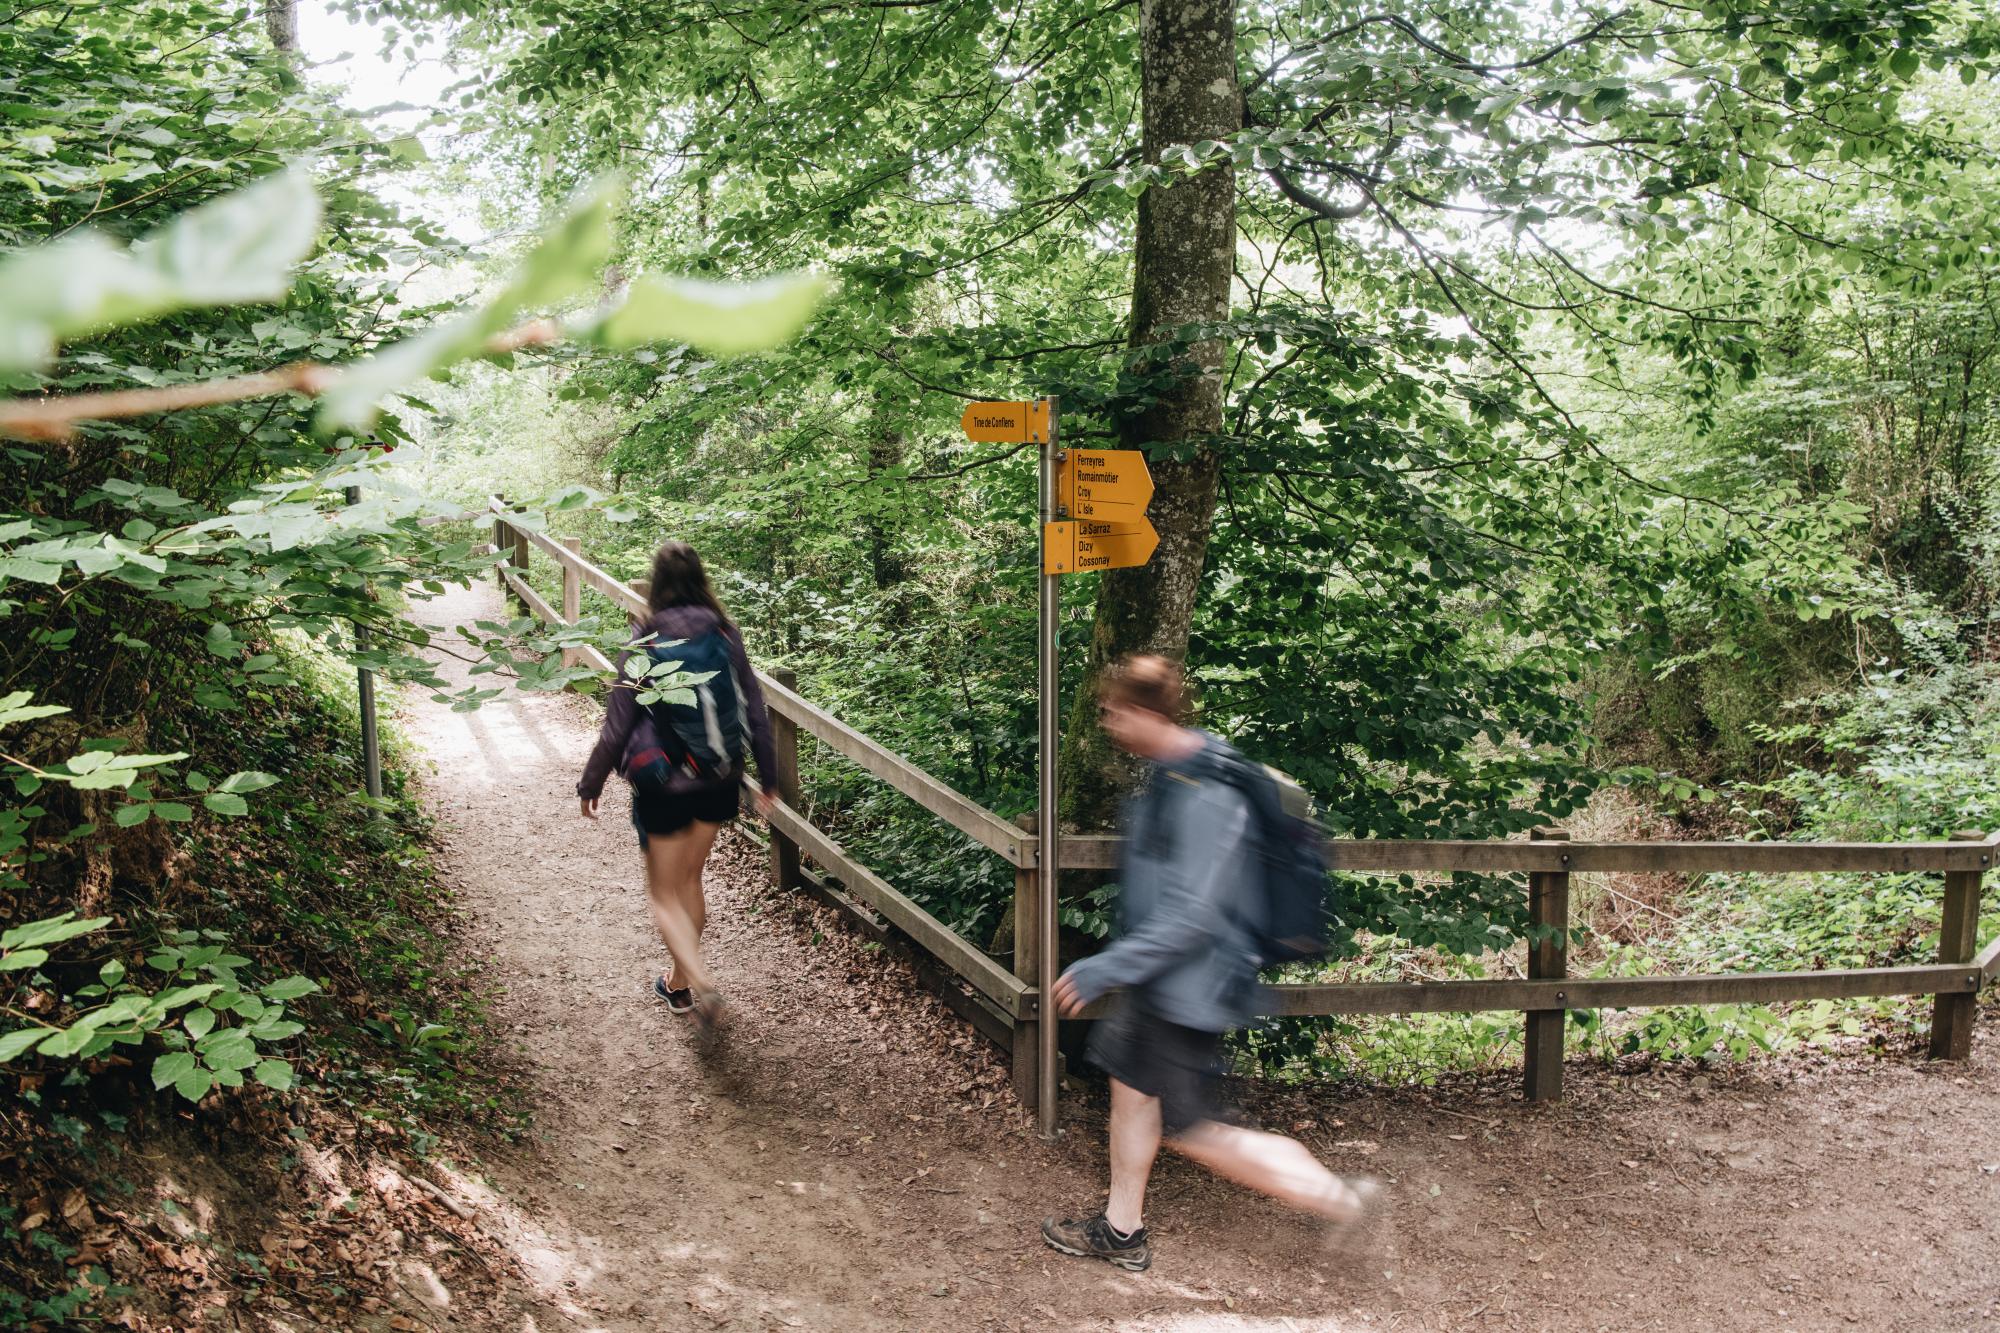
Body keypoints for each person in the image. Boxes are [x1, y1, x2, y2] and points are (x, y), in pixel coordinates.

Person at [1042, 655, 1376, 1272]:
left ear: (1145, 712)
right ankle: (1122, 1230)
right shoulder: (1173, 775)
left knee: (1197, 1128)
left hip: (1192, 985)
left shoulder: (1207, 793)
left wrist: (1105, 967)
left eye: (1115, 712)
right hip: (1163, 980)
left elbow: (1193, 914)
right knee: (1132, 1093)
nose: (1110, 724)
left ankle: (1341, 1197)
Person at [578, 541, 778, 1035]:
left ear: (658, 583)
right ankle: (678, 981)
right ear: (701, 579)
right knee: (690, 881)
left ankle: (703, 984)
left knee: (664, 894)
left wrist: (592, 779)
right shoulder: (725, 633)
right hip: (717, 777)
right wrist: (767, 778)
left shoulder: (646, 640)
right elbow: (755, 709)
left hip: (665, 783)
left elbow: (617, 724)